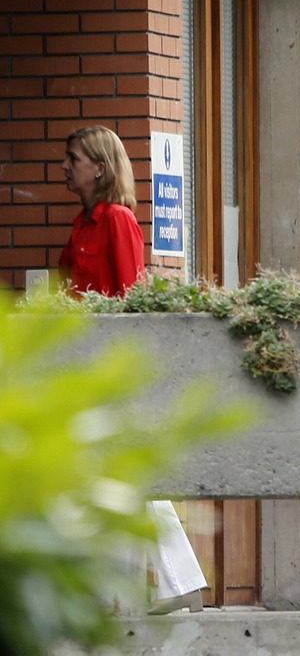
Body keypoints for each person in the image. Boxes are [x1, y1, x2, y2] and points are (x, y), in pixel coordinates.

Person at [58, 125, 208, 615]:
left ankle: (173, 582)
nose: (65, 166)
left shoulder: (118, 220)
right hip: (87, 374)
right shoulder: (82, 227)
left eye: (73, 158)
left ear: (98, 167)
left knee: (127, 480)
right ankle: (134, 591)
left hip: (114, 374)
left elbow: (131, 300)